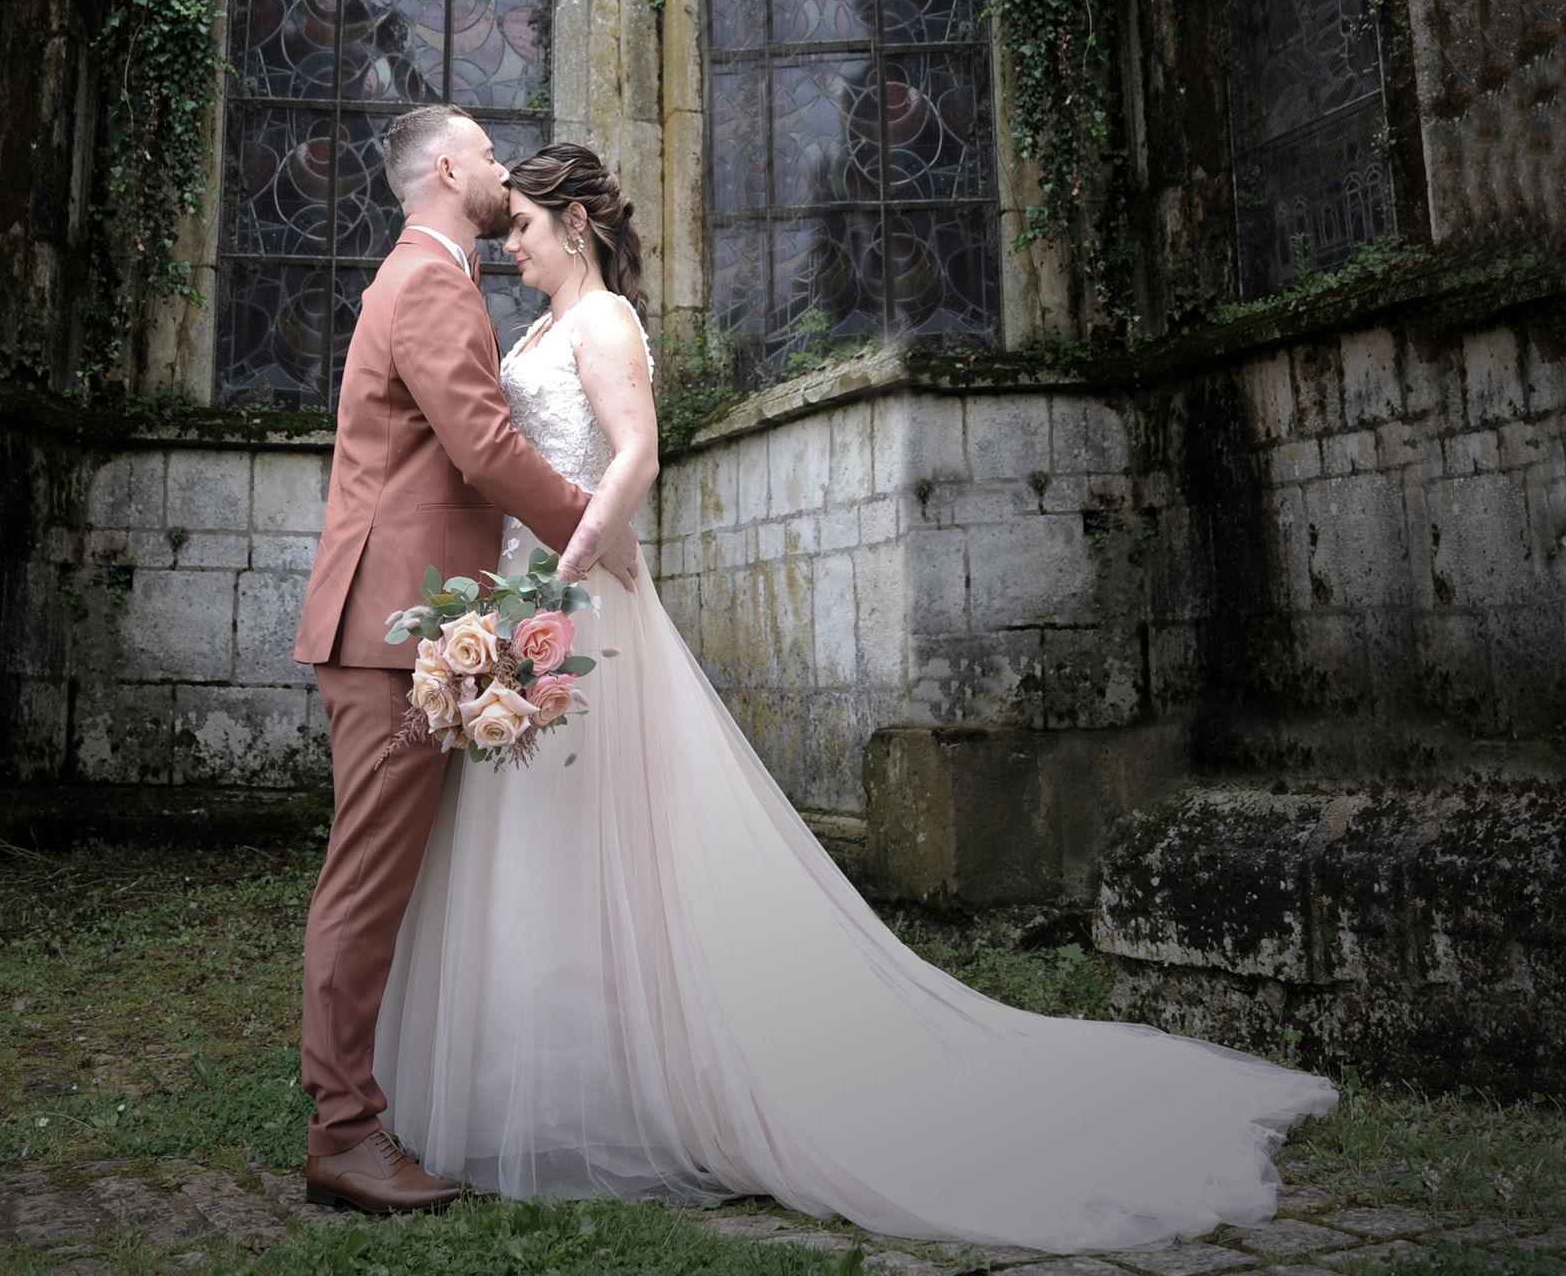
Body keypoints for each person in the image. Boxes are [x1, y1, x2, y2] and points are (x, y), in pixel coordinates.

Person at [374, 142, 1339, 1256]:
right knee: (532, 837)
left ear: (575, 225)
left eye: (526, 231)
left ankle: (637, 1082)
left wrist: (571, 563)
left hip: (581, 607)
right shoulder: (535, 335)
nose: (514, 250)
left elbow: (636, 457)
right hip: (524, 603)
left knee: (606, 839)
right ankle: (540, 1082)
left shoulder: (606, 325)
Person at [291, 105, 639, 1217]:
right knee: (366, 881)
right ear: (448, 167)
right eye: (487, 154)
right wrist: (593, 524)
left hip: (398, 621)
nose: (500, 169)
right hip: (388, 629)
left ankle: (365, 1105)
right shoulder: (431, 283)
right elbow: (483, 446)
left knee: (386, 876)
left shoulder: (423, 277)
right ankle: (344, 1133)